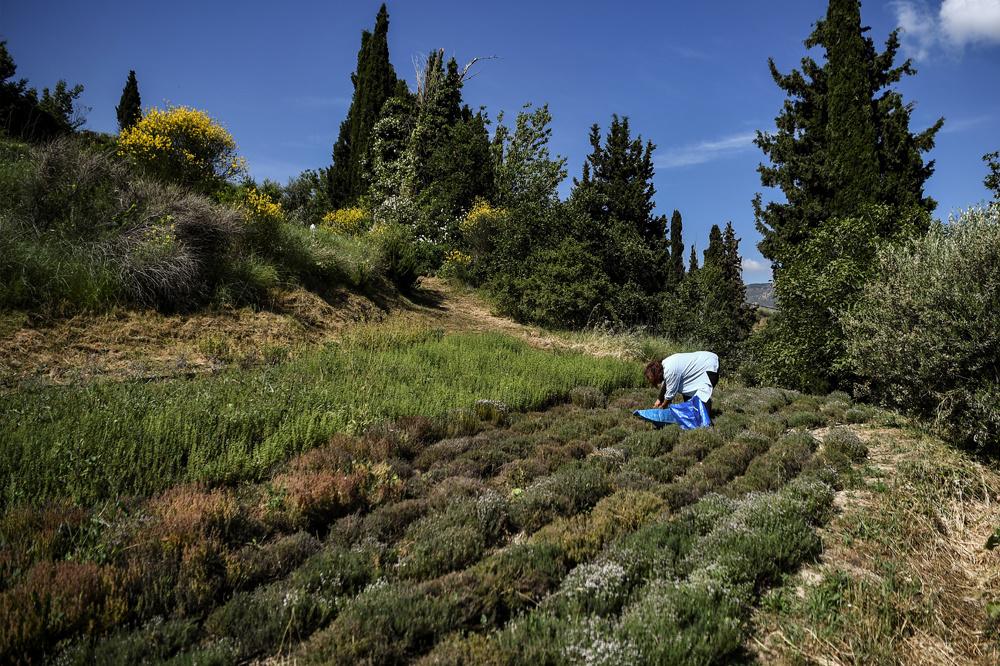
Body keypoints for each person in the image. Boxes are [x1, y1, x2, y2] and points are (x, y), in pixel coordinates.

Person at [644, 351, 720, 416]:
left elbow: (670, 395)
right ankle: (695, 417)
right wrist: (659, 400)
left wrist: (662, 407)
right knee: (688, 393)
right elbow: (667, 384)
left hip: (709, 364)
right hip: (703, 362)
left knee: (702, 395)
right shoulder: (664, 366)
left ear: (656, 373)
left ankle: (706, 424)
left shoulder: (670, 371)